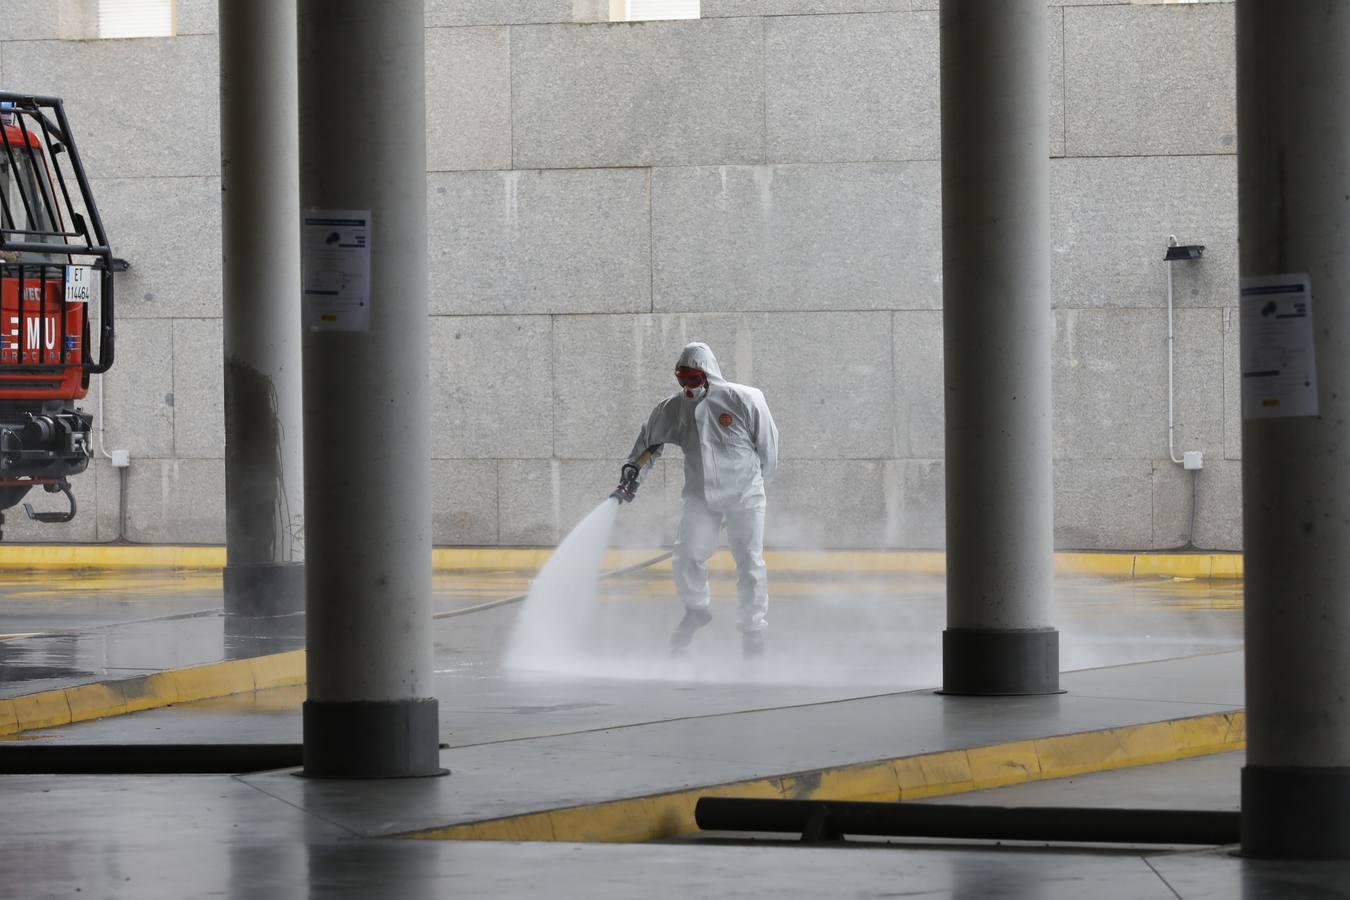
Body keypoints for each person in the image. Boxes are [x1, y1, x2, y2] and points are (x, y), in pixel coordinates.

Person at [612, 342, 779, 657]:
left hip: (745, 496)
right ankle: (697, 608)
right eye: (682, 379)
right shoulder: (672, 410)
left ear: (707, 374)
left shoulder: (744, 399)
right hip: (701, 498)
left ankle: (753, 632)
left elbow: (768, 447)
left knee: (749, 564)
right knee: (687, 555)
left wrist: (756, 486)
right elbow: (648, 446)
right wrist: (630, 479)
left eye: (692, 378)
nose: (687, 386)